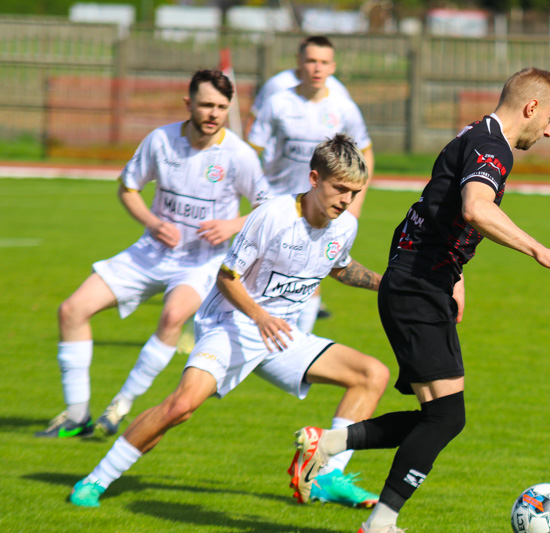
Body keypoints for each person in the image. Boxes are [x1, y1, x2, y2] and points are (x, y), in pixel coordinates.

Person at [290, 68, 550, 533]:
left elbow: (430, 208)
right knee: (446, 419)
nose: (549, 130)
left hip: (422, 285)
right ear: (531, 108)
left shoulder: (474, 134)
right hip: (417, 289)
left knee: (440, 415)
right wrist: (542, 252)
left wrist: (455, 276)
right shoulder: (493, 148)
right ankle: (378, 523)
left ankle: (328, 445)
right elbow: (475, 209)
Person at [69, 135, 388, 510]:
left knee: (371, 374)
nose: (347, 200)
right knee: (181, 406)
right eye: (340, 189)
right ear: (315, 179)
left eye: (354, 192)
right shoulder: (272, 217)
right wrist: (260, 316)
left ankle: (324, 475)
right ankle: (95, 480)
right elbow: (227, 277)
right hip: (231, 326)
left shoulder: (344, 225)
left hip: (281, 335)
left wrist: (389, 286)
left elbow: (339, 265)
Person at [37, 69, 270, 439]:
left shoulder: (238, 155)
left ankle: (121, 405)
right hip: (151, 251)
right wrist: (153, 222)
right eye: (207, 104)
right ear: (188, 103)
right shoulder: (160, 140)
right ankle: (77, 413)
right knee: (72, 309)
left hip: (202, 261)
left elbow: (266, 208)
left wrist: (231, 225)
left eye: (222, 107)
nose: (214, 113)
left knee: (173, 315)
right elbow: (128, 189)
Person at [247, 35, 375, 334]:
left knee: (311, 275)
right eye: (311, 61)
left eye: (323, 62)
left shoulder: (343, 108)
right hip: (279, 203)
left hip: (320, 208)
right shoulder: (278, 103)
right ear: (298, 63)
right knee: (258, 272)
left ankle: (296, 342)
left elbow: (365, 152)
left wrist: (356, 202)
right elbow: (251, 152)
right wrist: (259, 198)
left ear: (333, 66)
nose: (317, 68)